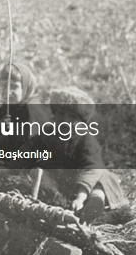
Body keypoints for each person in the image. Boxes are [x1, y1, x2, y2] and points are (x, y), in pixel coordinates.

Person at [42, 86, 129, 224]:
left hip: (89, 179)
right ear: (54, 114)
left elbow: (91, 168)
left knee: (100, 183)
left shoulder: (86, 140)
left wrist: (80, 198)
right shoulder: (48, 133)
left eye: (72, 117)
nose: (65, 120)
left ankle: (95, 203)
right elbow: (30, 149)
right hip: (65, 181)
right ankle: (65, 202)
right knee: (41, 173)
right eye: (61, 114)